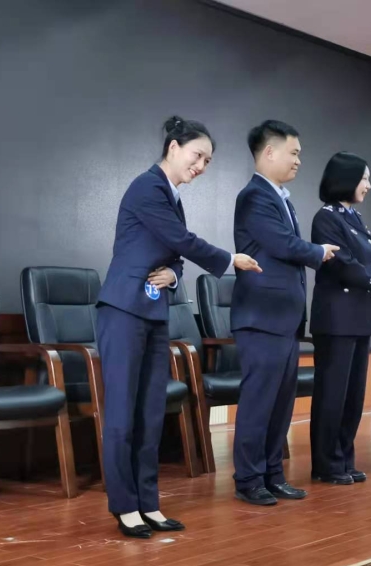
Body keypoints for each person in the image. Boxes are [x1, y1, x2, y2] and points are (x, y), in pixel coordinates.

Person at [97, 116, 260, 538]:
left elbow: (174, 254)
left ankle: (148, 503)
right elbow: (180, 239)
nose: (201, 166)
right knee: (122, 413)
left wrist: (173, 273)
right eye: (197, 155)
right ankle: (125, 506)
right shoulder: (147, 187)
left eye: (207, 161)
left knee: (151, 412)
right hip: (122, 309)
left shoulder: (172, 196)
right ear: (173, 148)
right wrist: (228, 259)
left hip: (153, 311)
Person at [230, 120, 338, 506]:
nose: (298, 161)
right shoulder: (254, 196)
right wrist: (318, 252)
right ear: (269, 152)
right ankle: (248, 479)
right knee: (259, 402)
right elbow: (281, 243)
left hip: (284, 319)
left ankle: (273, 474)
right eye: (293, 153)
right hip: (261, 317)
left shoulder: (281, 198)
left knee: (280, 404)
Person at [309, 152, 371, 484]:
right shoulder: (326, 218)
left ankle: (344, 459)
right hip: (336, 319)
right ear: (346, 179)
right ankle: (326, 464)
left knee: (353, 397)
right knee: (333, 394)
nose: (368, 185)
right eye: (363, 178)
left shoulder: (354, 217)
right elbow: (344, 266)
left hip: (360, 318)